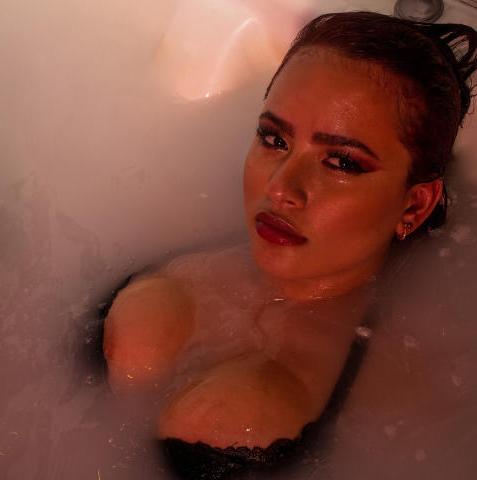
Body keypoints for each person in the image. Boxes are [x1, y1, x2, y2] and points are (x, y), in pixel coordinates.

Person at [101, 11, 477, 478]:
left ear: (414, 206)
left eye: (341, 162)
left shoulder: (414, 392)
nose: (279, 187)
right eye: (274, 138)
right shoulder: (168, 261)